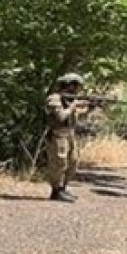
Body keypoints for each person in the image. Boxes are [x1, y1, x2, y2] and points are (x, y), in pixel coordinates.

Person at [45, 73, 90, 202]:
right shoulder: (54, 99)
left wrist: (89, 109)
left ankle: (63, 188)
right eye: (76, 86)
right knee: (59, 163)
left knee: (73, 162)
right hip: (57, 135)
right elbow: (60, 117)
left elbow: (76, 118)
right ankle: (56, 190)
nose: (77, 89)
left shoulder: (69, 100)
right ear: (69, 85)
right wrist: (73, 106)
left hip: (69, 134)